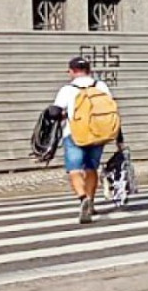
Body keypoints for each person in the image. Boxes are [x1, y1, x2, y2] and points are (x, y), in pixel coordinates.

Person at [51, 56, 121, 224]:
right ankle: (91, 201)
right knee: (91, 168)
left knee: (74, 170)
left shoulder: (67, 89)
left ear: (72, 71)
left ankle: (83, 199)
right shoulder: (101, 86)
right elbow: (112, 110)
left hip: (74, 134)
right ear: (89, 71)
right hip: (98, 134)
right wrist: (119, 137)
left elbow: (55, 112)